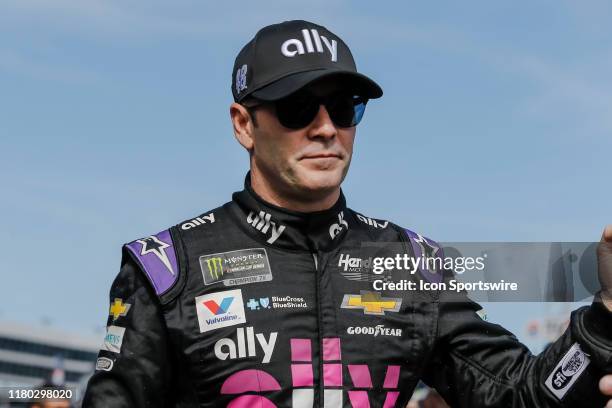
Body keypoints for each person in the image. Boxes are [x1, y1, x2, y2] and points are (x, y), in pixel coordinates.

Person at [83, 20, 612, 407]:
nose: (325, 128)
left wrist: (606, 312)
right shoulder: (167, 266)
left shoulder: (410, 262)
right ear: (244, 124)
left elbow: (524, 396)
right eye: (296, 108)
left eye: (343, 107)